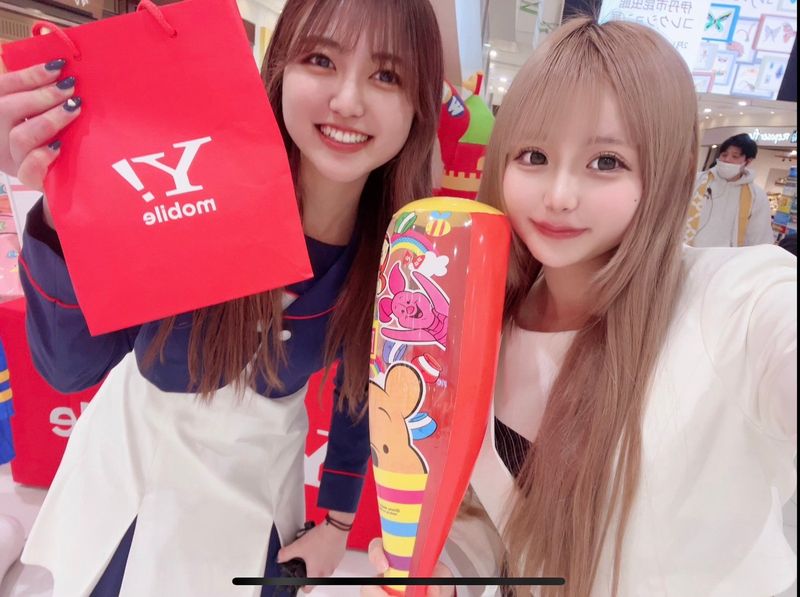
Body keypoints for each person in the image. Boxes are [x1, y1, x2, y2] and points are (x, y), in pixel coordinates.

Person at [0, 0, 443, 595]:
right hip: (127, 500)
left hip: (256, 513)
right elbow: (69, 367)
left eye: (386, 75)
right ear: (280, 67)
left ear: (419, 104)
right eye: (321, 60)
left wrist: (338, 523)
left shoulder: (397, 255)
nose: (347, 100)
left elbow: (367, 390)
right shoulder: (191, 186)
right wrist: (66, 204)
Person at [363, 16, 797, 597]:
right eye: (534, 155)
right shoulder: (484, 320)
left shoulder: (732, 302)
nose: (559, 195)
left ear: (663, 172)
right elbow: (499, 519)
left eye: (606, 162)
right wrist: (447, 576)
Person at [685, 133, 775, 247]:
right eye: (724, 155)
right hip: (688, 250)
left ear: (748, 161)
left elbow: (759, 235)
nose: (727, 160)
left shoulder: (756, 196)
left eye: (735, 156)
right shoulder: (697, 181)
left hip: (726, 255)